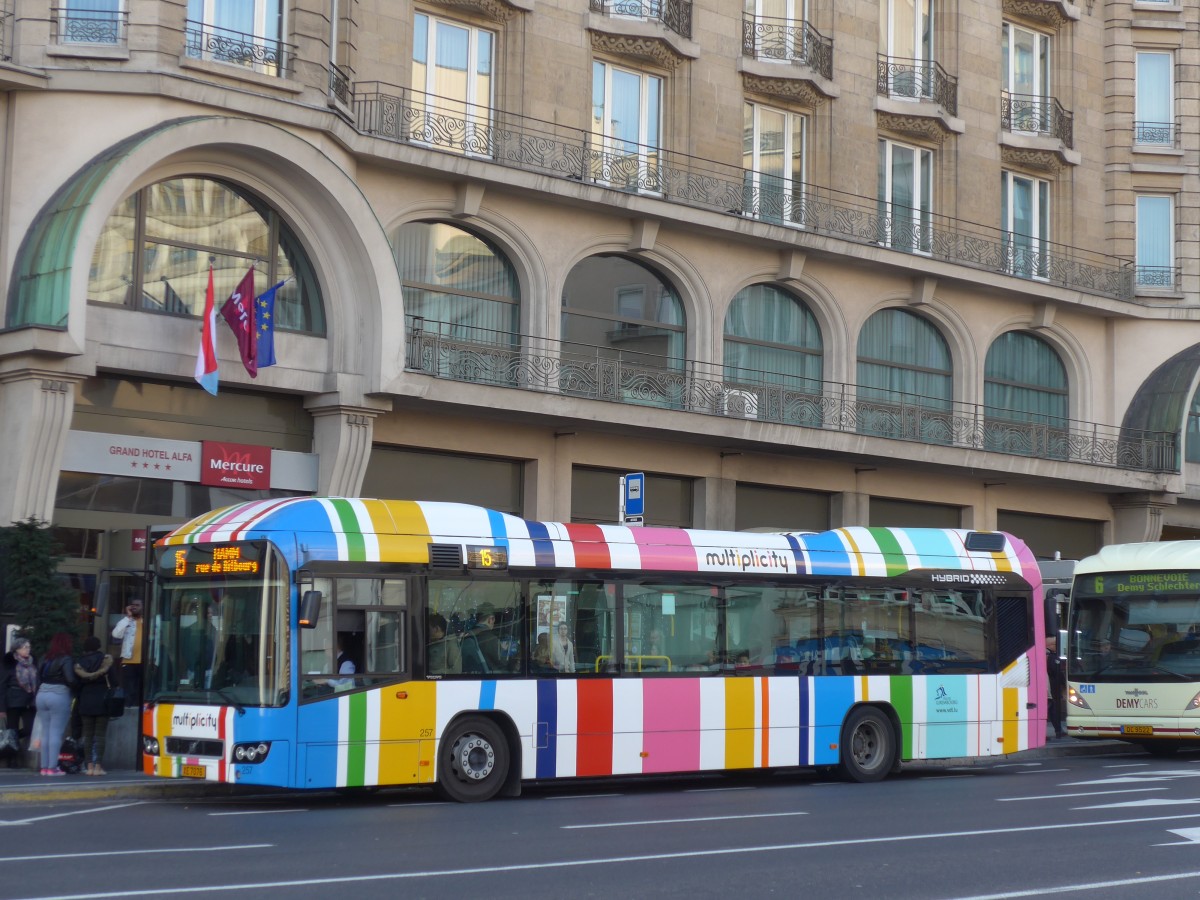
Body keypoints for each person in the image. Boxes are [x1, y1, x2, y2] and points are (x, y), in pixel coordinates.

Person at [34, 632, 77, 776]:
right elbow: (70, 679)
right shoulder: (66, 659)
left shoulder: (44, 658)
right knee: (56, 733)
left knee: (45, 733)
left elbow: (37, 678)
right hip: (59, 695)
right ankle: (53, 768)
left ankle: (44, 767)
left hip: (41, 695)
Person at [73, 636, 114, 776]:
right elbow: (114, 681)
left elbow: (76, 684)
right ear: (98, 646)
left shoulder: (80, 663)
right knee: (100, 735)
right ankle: (98, 767)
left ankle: (89, 766)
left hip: (85, 701)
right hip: (102, 700)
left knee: (88, 735)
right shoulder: (105, 660)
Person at [2, 638, 38, 768]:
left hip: (29, 701)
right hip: (13, 700)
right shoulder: (9, 663)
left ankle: (15, 741)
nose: (27, 650)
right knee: (12, 730)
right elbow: (2, 684)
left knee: (29, 729)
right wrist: (2, 707)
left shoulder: (33, 663)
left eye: (28, 647)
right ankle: (12, 760)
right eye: (24, 647)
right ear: (16, 649)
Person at [112, 601, 143, 707]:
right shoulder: (127, 621)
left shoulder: (148, 620)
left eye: (137, 605)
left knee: (142, 689)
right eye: (132, 605)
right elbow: (116, 634)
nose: (134, 607)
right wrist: (128, 617)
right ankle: (129, 710)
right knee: (129, 689)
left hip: (145, 661)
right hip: (129, 660)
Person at [471, 603, 503, 671]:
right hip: (490, 677)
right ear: (491, 619)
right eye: (494, 619)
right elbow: (502, 662)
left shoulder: (468, 635)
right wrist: (503, 650)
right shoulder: (491, 639)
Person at [1047, 635, 1066, 739]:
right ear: (1050, 645)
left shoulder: (1047, 655)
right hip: (1052, 688)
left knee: (1052, 709)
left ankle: (1058, 730)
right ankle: (1058, 730)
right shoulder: (1052, 657)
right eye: (1055, 644)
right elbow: (1056, 672)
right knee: (1052, 709)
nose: (1057, 646)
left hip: (1050, 688)